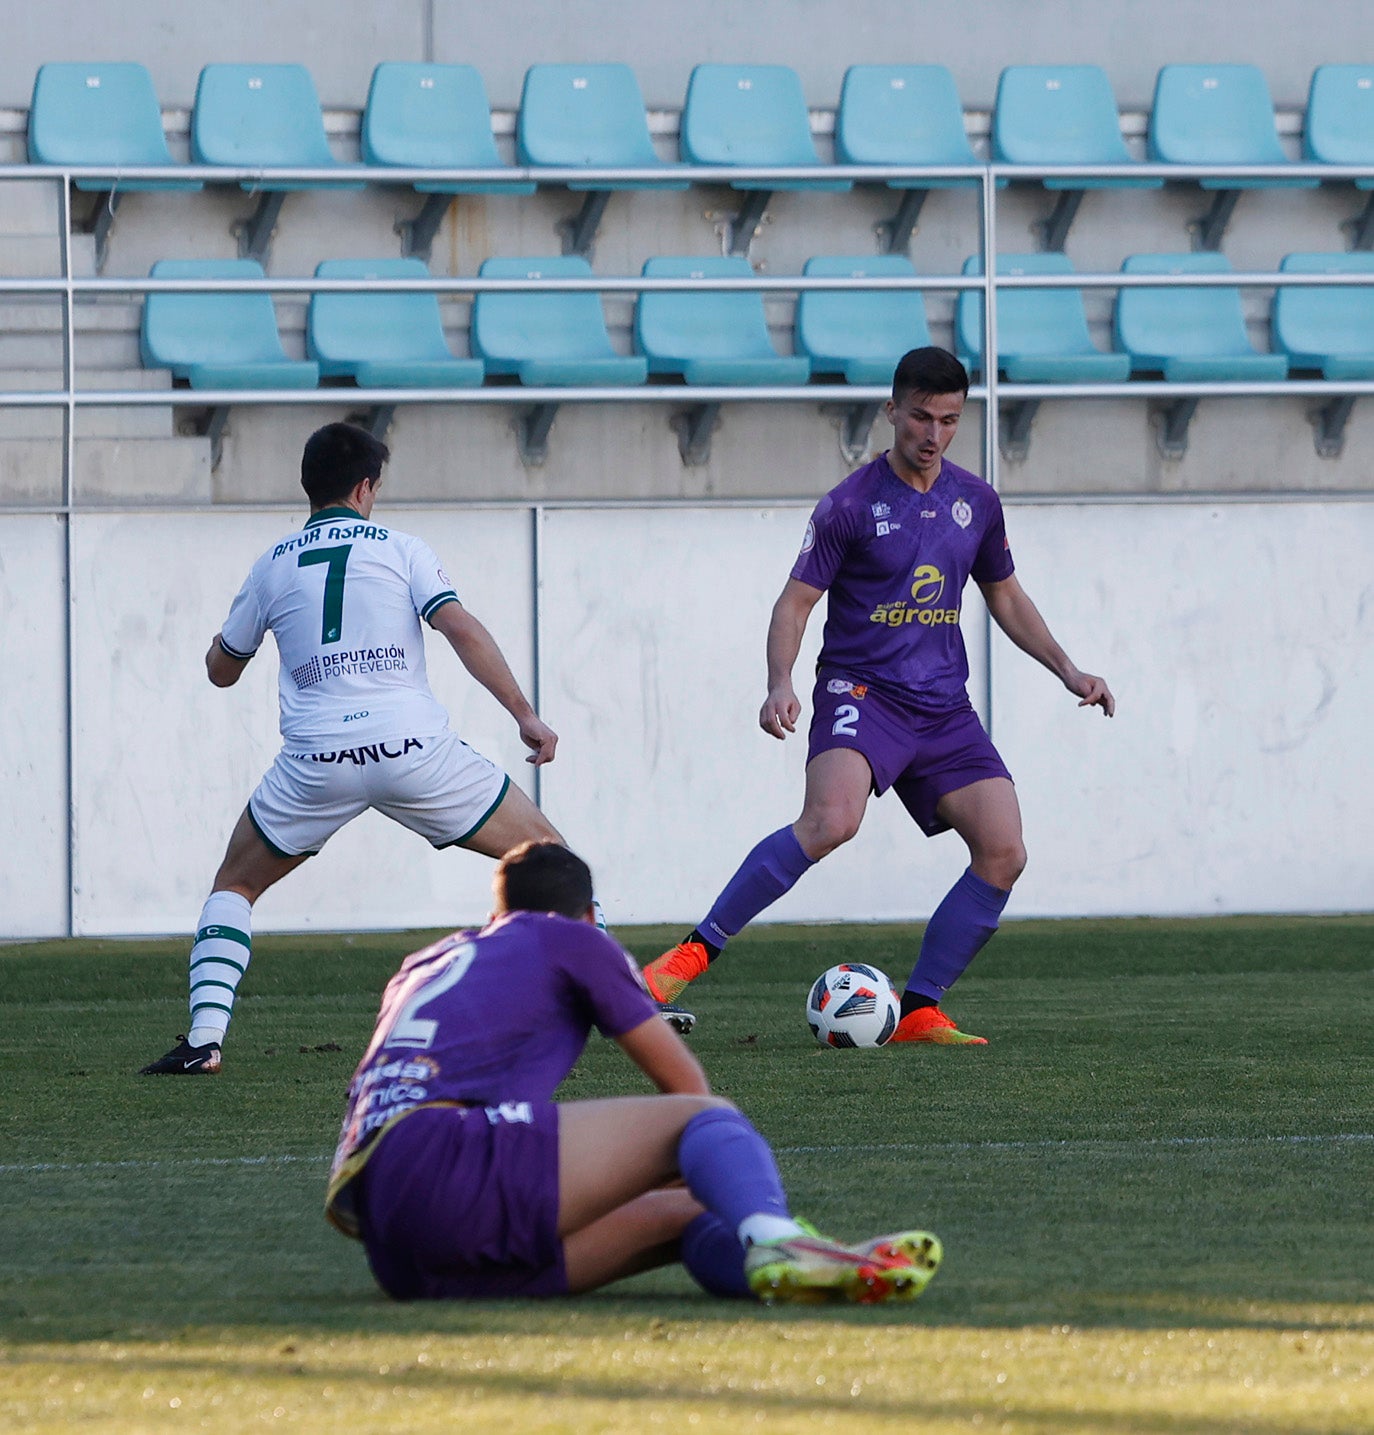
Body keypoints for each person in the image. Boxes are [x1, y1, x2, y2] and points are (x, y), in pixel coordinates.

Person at [642, 347, 1115, 1044]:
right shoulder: (852, 504)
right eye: (921, 416)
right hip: (861, 691)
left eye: (950, 419)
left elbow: (1006, 596)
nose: (933, 433)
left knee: (1004, 848)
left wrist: (1069, 669)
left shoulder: (976, 502)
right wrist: (781, 683)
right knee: (831, 819)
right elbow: (795, 603)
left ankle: (920, 1007)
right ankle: (689, 954)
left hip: (944, 707)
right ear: (892, 410)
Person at [325, 839, 942, 1304]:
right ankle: (777, 1237)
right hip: (448, 1163)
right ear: (589, 914)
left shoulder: (426, 961)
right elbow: (688, 1095)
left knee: (690, 1219)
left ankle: (823, 1266)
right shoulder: (573, 939)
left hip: (397, 1246)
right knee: (706, 1120)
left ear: (498, 911)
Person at [141, 422, 580, 1074]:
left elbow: (222, 669)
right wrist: (524, 713)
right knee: (549, 857)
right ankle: (622, 996)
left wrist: (222, 644)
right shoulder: (402, 549)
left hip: (317, 761)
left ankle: (205, 1037)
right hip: (414, 750)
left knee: (233, 884)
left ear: (308, 485)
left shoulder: (272, 563)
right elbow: (458, 626)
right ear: (365, 486)